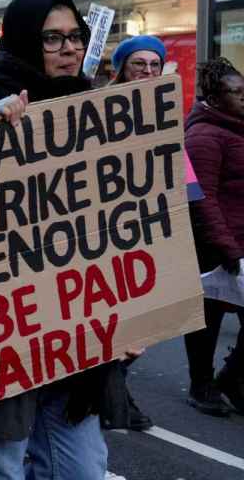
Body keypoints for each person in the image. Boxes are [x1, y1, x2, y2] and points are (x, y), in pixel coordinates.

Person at [0, 0, 135, 479]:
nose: (69, 48)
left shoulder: (99, 111)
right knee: (1, 472)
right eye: (53, 38)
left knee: (83, 472)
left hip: (78, 332)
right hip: (2, 335)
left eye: (76, 37)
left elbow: (123, 223)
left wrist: (139, 313)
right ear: (23, 41)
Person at [96, 35, 168, 432]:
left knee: (141, 327)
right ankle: (112, 397)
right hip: (105, 235)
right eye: (138, 64)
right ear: (121, 69)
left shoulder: (166, 113)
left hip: (148, 233)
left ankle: (113, 392)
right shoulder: (97, 110)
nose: (147, 72)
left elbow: (183, 180)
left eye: (154, 65)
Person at [183, 57, 244, 417]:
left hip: (238, 241)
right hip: (215, 246)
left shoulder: (236, 129)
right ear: (216, 97)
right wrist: (226, 247)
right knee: (207, 322)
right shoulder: (202, 136)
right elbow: (200, 197)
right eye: (237, 92)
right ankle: (202, 385)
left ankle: (231, 379)